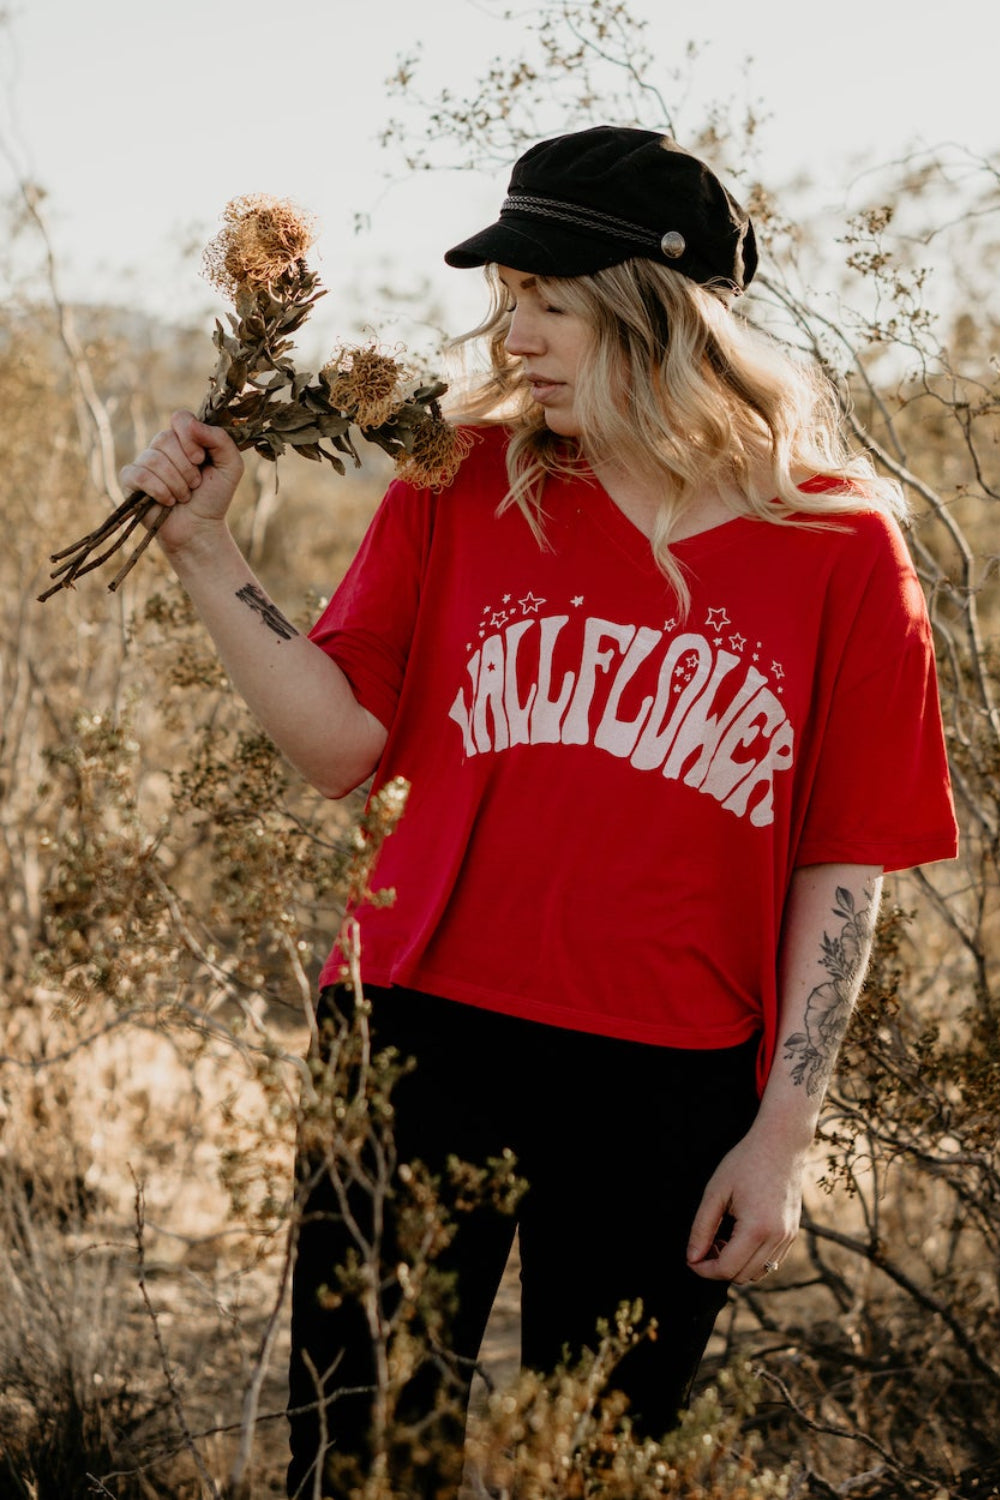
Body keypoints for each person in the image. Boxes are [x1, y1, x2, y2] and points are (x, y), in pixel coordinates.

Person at [121, 126, 959, 1498]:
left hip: (673, 1077)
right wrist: (207, 552)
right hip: (419, 1032)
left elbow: (845, 861)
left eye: (550, 302)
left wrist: (783, 1133)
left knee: (599, 1466)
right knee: (364, 1455)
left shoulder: (839, 546)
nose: (514, 337)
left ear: (658, 312)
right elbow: (342, 746)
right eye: (507, 298)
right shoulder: (464, 478)